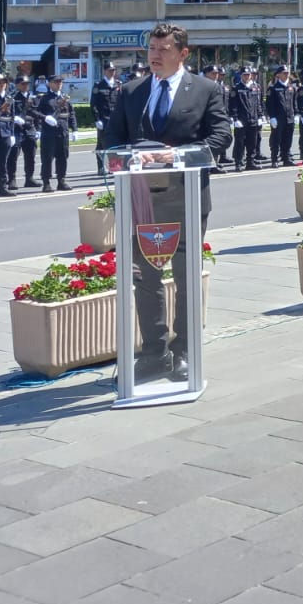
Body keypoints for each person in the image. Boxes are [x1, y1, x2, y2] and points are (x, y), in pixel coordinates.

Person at [101, 23, 233, 383]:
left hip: (186, 197)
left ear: (183, 53)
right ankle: (153, 353)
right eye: (152, 49)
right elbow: (111, 139)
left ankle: (184, 351)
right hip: (140, 199)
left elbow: (221, 135)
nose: (155, 56)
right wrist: (127, 156)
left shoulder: (205, 90)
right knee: (146, 279)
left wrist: (175, 157)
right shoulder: (131, 92)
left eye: (164, 50)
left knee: (186, 276)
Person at [35, 73, 77, 191]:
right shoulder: (44, 98)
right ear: (50, 84)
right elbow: (35, 112)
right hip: (49, 133)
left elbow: (71, 114)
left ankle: (61, 180)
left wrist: (75, 129)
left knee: (63, 156)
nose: (59, 84)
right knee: (47, 157)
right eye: (56, 82)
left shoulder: (65, 98)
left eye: (60, 82)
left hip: (63, 131)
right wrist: (45, 118)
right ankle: (46, 182)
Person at [9, 76, 40, 189]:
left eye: (27, 84)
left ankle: (29, 178)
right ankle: (12, 180)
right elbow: (7, 112)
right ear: (17, 85)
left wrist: (38, 129)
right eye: (23, 84)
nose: (25, 86)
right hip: (17, 130)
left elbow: (36, 113)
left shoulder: (33, 98)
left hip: (30, 129)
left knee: (31, 156)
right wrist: (14, 118)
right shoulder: (12, 98)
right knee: (13, 156)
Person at [90, 61, 119, 176]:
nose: (112, 73)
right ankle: (101, 167)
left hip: (115, 120)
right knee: (102, 145)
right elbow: (93, 104)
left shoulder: (118, 84)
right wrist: (97, 119)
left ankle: (114, 166)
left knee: (116, 144)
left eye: (113, 70)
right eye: (109, 70)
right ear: (105, 71)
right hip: (103, 119)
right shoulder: (98, 85)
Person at [230, 67, 261, 170]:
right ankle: (238, 163)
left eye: (248, 75)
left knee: (252, 143)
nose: (247, 77)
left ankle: (250, 163)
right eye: (244, 75)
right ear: (241, 76)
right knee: (240, 143)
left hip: (253, 119)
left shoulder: (255, 87)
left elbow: (258, 103)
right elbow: (233, 105)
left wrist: (260, 116)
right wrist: (235, 119)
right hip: (241, 120)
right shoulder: (236, 88)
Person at [266, 65, 297, 168]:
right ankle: (274, 160)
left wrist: (296, 114)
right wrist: (272, 117)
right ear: (278, 75)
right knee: (276, 140)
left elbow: (294, 102)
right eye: (284, 73)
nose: (286, 74)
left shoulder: (291, 87)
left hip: (289, 118)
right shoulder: (273, 88)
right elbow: (270, 104)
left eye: (287, 72)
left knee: (288, 140)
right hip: (278, 119)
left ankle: (286, 159)